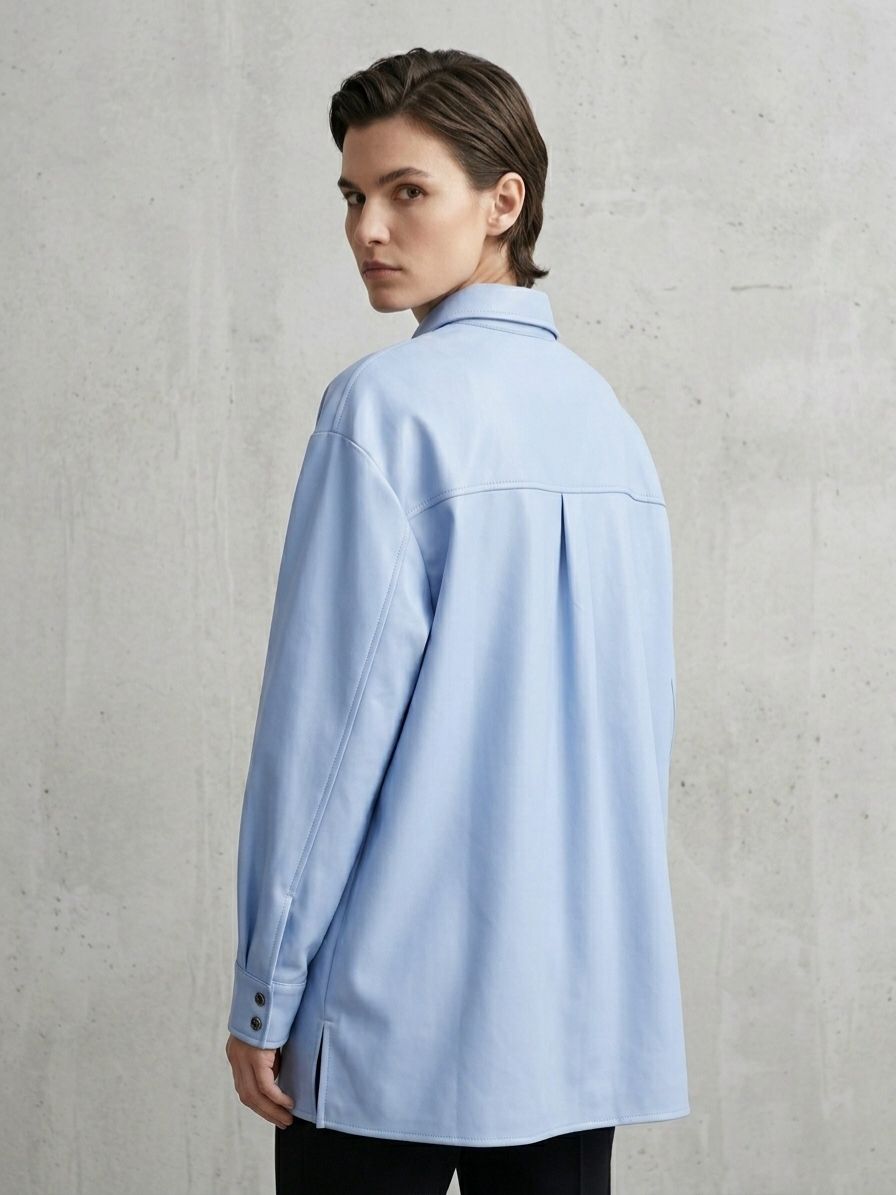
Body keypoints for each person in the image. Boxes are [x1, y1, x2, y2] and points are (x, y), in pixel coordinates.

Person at [224, 46, 689, 1195]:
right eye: (352, 195)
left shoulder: (381, 409)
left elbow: (323, 741)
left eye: (406, 191)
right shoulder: (607, 422)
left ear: (503, 202)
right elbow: (634, 733)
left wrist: (264, 993)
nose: (367, 229)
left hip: (390, 1012)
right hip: (573, 1019)